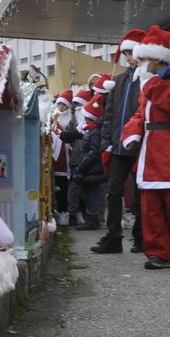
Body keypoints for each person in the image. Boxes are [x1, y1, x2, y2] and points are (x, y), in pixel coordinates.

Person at [119, 26, 170, 269]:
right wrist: (131, 132)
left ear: (156, 59)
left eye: (142, 59)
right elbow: (140, 114)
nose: (138, 64)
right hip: (151, 149)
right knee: (151, 204)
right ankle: (158, 252)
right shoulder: (148, 83)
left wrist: (153, 86)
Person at [92, 29, 147, 255]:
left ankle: (140, 237)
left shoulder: (146, 80)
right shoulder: (119, 81)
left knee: (139, 193)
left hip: (140, 145)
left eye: (131, 53)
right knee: (114, 191)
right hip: (118, 146)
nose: (128, 59)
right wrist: (107, 142)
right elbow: (110, 116)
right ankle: (114, 237)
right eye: (125, 55)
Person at [68, 74, 112, 230]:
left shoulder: (94, 133)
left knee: (94, 193)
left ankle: (93, 218)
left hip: (92, 168)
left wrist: (82, 167)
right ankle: (91, 217)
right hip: (89, 168)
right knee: (87, 193)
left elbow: (93, 152)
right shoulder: (90, 131)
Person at [49, 89, 82, 226]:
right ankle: (62, 212)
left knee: (74, 187)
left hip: (72, 155)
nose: (61, 107)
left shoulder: (74, 118)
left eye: (64, 105)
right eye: (59, 104)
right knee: (61, 185)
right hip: (58, 157)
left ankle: (77, 213)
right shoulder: (53, 117)